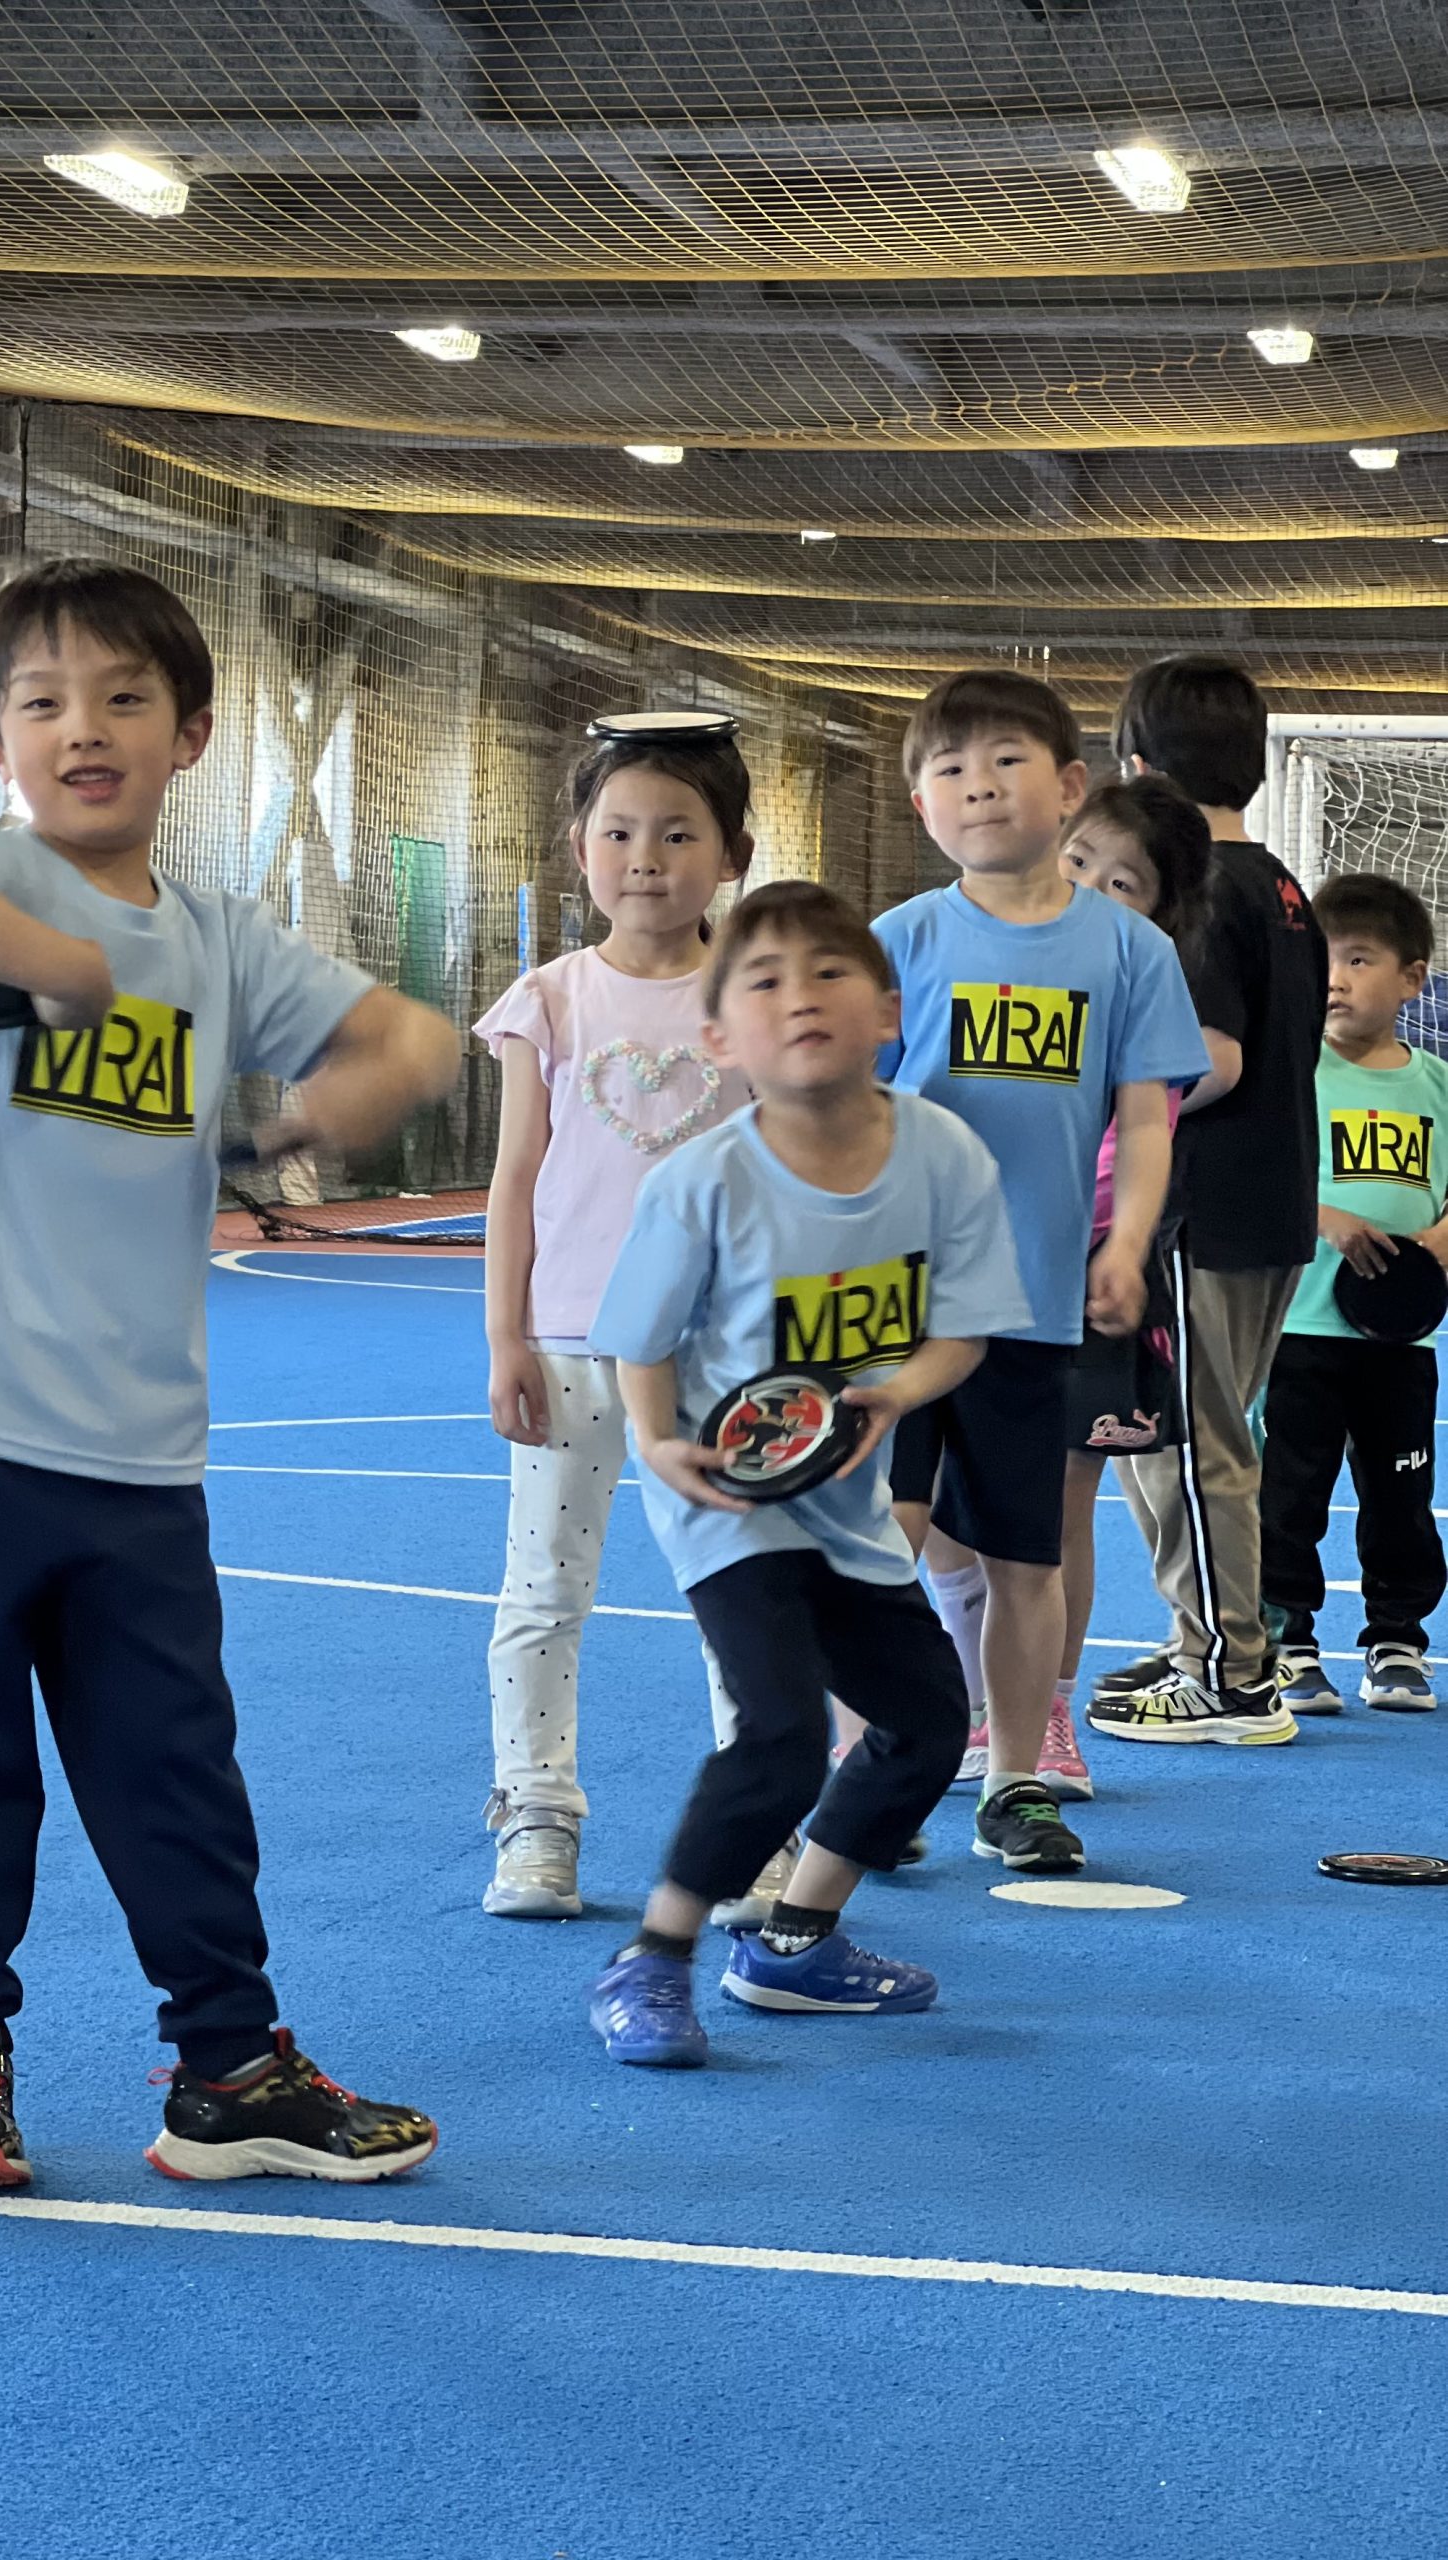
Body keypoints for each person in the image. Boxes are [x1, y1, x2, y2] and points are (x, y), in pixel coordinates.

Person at [0, 557, 459, 2192]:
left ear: (189, 733)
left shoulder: (226, 941)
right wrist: (63, 967)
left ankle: (229, 2066)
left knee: (174, 1764)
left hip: (139, 1442)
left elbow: (418, 1042)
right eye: (38, 701)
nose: (80, 728)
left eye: (121, 697)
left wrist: (324, 1113)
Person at [583, 880, 1029, 2066]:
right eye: (763, 981)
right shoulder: (701, 1183)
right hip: (727, 1502)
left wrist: (891, 1393)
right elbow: (641, 1338)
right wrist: (655, 1442)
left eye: (827, 973)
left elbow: (962, 1330)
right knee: (779, 1733)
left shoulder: (941, 1153)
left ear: (887, 1009)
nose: (800, 998)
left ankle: (794, 1940)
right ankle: (654, 1954)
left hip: (846, 1498)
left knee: (930, 1722)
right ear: (719, 1039)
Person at [872, 670, 1212, 1875]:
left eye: (1003, 759)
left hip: (1034, 1305)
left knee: (1027, 1555)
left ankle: (1015, 1778)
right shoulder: (895, 945)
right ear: (921, 804)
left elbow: (1150, 1119)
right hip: (895, 1316)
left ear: (1068, 788)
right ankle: (875, 1777)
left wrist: (1122, 1248)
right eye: (949, 767)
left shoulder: (1126, 953)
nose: (977, 783)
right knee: (877, 1553)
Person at [476, 712, 757, 1921]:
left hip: (720, 1353)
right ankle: (536, 1811)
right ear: (577, 849)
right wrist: (504, 1337)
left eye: (678, 832)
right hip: (570, 1347)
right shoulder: (547, 1001)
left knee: (743, 1594)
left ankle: (754, 1826)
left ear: (731, 852)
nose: (646, 856)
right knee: (543, 1590)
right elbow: (515, 1178)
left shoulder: (751, 995)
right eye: (620, 831)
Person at [1088, 656, 1330, 1745]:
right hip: (1267, 1198)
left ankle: (1230, 1671)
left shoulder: (1194, 893)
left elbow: (1214, 1058)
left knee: (1187, 1443)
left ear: (1135, 767)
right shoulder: (1279, 884)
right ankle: (1207, 1636)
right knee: (1172, 1438)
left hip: (1203, 1206)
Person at [1048, 777, 1229, 1791]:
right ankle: (956, 1705)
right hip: (967, 1271)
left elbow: (1141, 1139)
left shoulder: (1141, 997)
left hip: (1088, 1280)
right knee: (935, 1510)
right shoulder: (966, 958)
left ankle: (1045, 1714)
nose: (1090, 890)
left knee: (1060, 1504)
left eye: (1121, 882)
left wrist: (1110, 1247)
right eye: (1078, 865)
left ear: (1157, 913)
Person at [1259, 873, 1448, 1715]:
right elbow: (1255, 1175)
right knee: (1287, 1494)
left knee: (1402, 1496)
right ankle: (1289, 1640)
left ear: (1413, 978)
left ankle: (1397, 1640)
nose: (1334, 979)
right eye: (1323, 961)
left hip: (1397, 1340)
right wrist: (1327, 1218)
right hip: (1297, 1329)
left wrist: (1437, 1244)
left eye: (1359, 960)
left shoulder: (1436, 1086)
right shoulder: (1288, 1074)